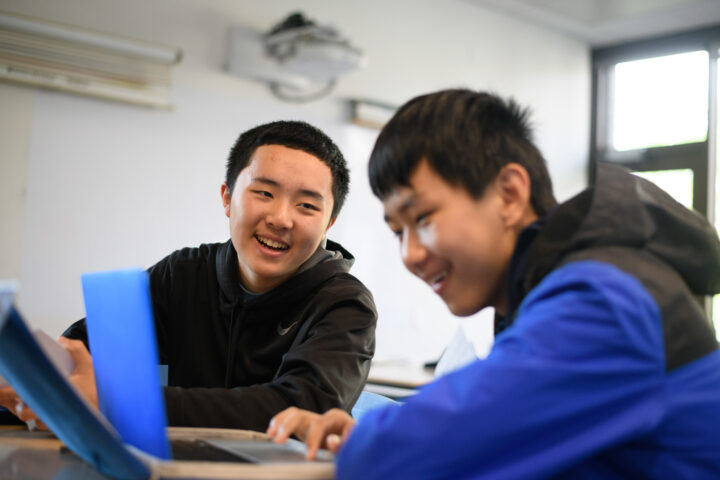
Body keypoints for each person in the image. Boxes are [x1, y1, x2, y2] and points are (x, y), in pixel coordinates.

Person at [267, 90, 720, 478]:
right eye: (397, 231)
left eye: (422, 218)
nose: (410, 255)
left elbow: (438, 445)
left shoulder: (605, 301)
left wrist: (367, 444)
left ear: (509, 193)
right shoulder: (565, 286)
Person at [1, 120, 377, 433]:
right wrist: (32, 383)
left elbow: (298, 408)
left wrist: (123, 404)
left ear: (329, 223)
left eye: (307, 205)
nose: (281, 218)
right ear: (227, 198)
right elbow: (85, 349)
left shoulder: (344, 305)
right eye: (264, 192)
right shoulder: (184, 274)